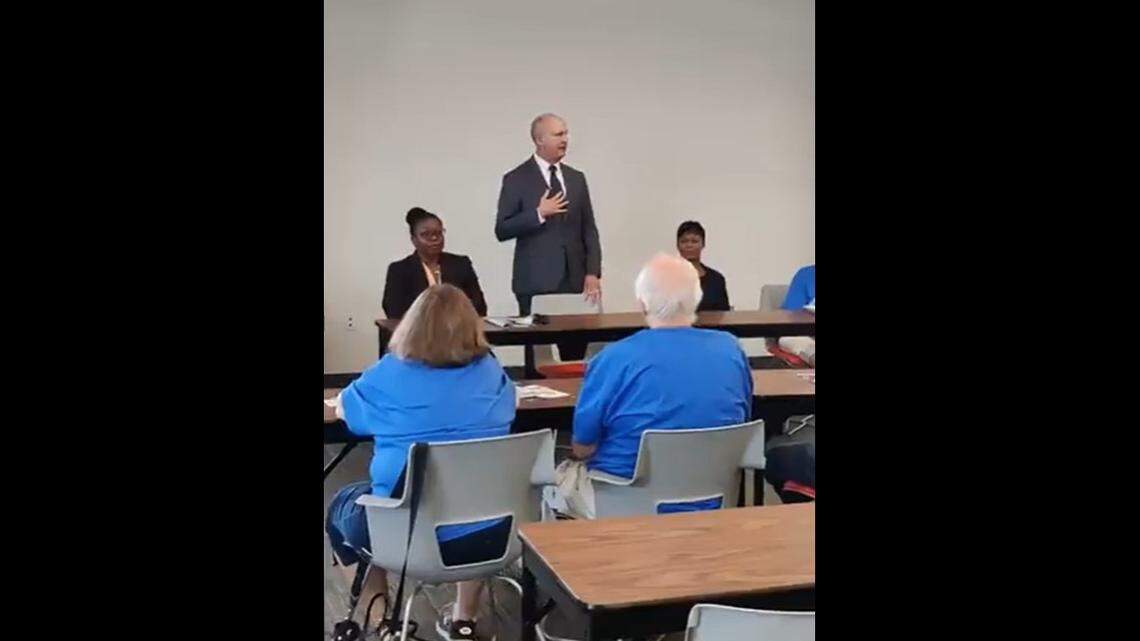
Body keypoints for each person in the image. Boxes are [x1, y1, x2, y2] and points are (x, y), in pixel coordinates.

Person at [326, 285, 514, 640]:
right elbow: (511, 405)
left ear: (410, 326)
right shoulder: (491, 372)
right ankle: (463, 618)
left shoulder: (389, 374)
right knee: (474, 495)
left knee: (343, 509)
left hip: (404, 536)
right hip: (492, 534)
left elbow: (349, 413)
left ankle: (383, 624)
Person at [551, 254, 753, 519]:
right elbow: (743, 419)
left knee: (549, 485)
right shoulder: (731, 349)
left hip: (622, 502)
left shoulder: (613, 359)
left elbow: (582, 447)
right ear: (696, 299)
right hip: (712, 498)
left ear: (642, 303)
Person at [494, 113, 602, 365]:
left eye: (566, 133)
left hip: (575, 281)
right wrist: (538, 214)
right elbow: (502, 229)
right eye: (558, 134)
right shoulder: (516, 179)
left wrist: (592, 272)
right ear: (539, 139)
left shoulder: (576, 178)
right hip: (535, 282)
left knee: (576, 358)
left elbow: (589, 229)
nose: (565, 139)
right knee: (540, 360)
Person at [382, 207, 488, 320]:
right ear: (413, 239)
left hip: (458, 331)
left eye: (438, 233)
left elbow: (479, 306)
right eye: (426, 234)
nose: (434, 238)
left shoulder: (461, 264)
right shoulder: (399, 270)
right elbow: (393, 311)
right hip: (416, 333)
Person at [675, 220, 730, 312]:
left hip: (709, 326)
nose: (689, 245)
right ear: (678, 245)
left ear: (703, 244)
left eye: (694, 241)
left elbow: (725, 315)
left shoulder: (716, 280)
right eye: (684, 241)